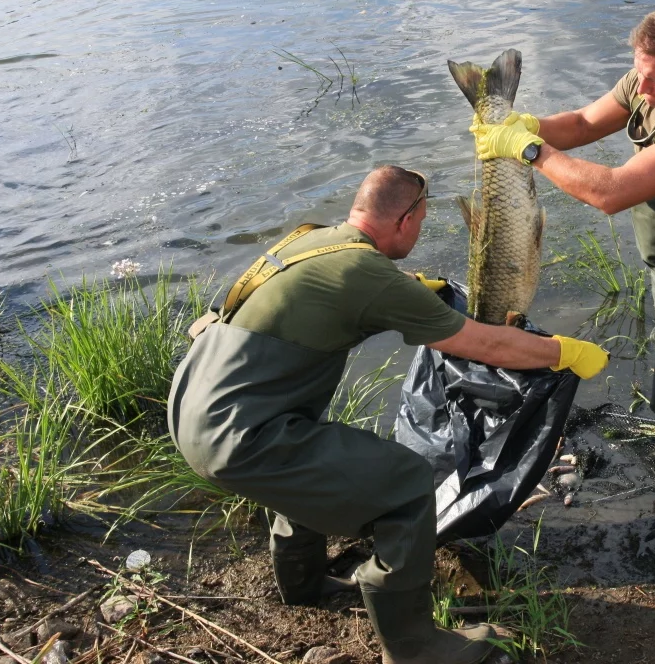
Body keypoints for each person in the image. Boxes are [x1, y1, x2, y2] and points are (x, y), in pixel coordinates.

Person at [167, 166, 609, 664]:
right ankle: (416, 648)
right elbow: (484, 344)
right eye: (421, 221)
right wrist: (561, 352)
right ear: (406, 218)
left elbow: (348, 291)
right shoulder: (365, 273)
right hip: (241, 438)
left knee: (304, 462)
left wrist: (412, 289)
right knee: (407, 483)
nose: (420, 232)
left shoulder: (312, 241)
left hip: (191, 413)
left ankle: (305, 585)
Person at [469, 6, 655, 553]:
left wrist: (530, 150)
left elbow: (610, 192)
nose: (643, 85)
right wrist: (518, 126)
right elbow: (585, 125)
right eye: (639, 72)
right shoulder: (646, 84)